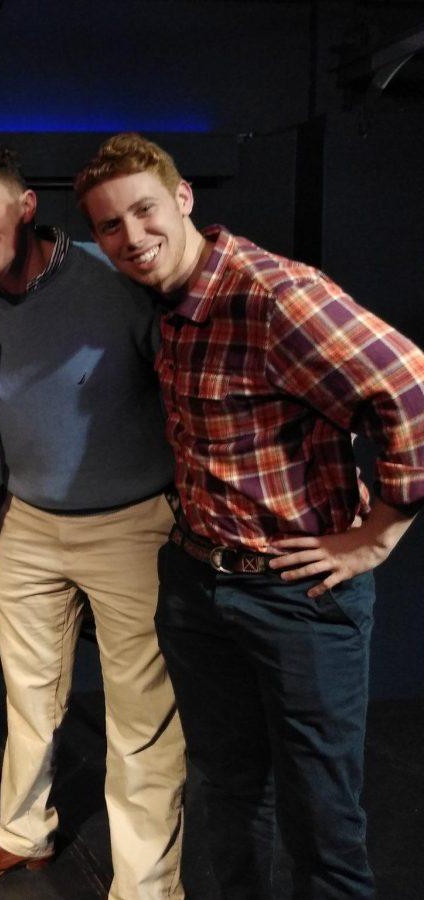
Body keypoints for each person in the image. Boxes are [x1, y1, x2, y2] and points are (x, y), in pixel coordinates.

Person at [75, 132, 424, 898]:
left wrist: (379, 535)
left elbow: (410, 385)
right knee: (229, 794)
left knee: (322, 822)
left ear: (184, 198)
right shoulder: (168, 302)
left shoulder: (272, 295)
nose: (132, 237)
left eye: (145, 211)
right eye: (110, 226)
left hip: (298, 599)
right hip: (200, 586)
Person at [0, 141, 186, 898]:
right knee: (29, 700)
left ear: (26, 205)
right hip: (31, 525)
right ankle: (23, 835)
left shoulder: (115, 283)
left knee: (141, 723)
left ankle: (145, 888)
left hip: (134, 524)